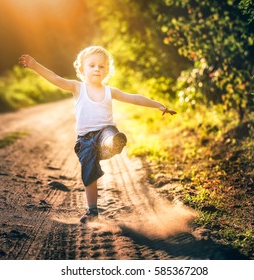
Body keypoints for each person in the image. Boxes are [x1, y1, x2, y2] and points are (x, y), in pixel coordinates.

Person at [19, 46, 176, 223]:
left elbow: (134, 98)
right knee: (89, 174)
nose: (96, 69)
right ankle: (92, 211)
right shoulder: (77, 88)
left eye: (101, 66)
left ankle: (112, 143)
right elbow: (55, 78)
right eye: (92, 65)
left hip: (105, 133)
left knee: (109, 133)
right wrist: (35, 65)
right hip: (85, 140)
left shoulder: (110, 91)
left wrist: (158, 105)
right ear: (82, 69)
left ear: (107, 70)